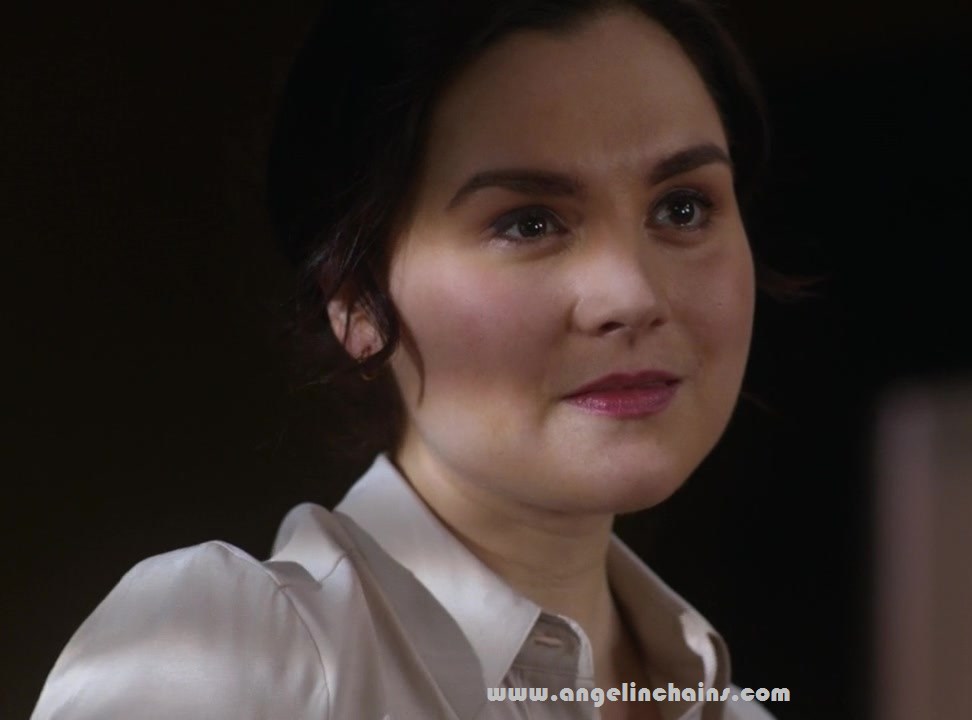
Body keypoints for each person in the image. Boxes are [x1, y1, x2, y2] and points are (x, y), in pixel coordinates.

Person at [32, 0, 778, 717]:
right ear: (357, 299)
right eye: (529, 223)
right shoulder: (224, 658)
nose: (632, 295)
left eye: (683, 208)